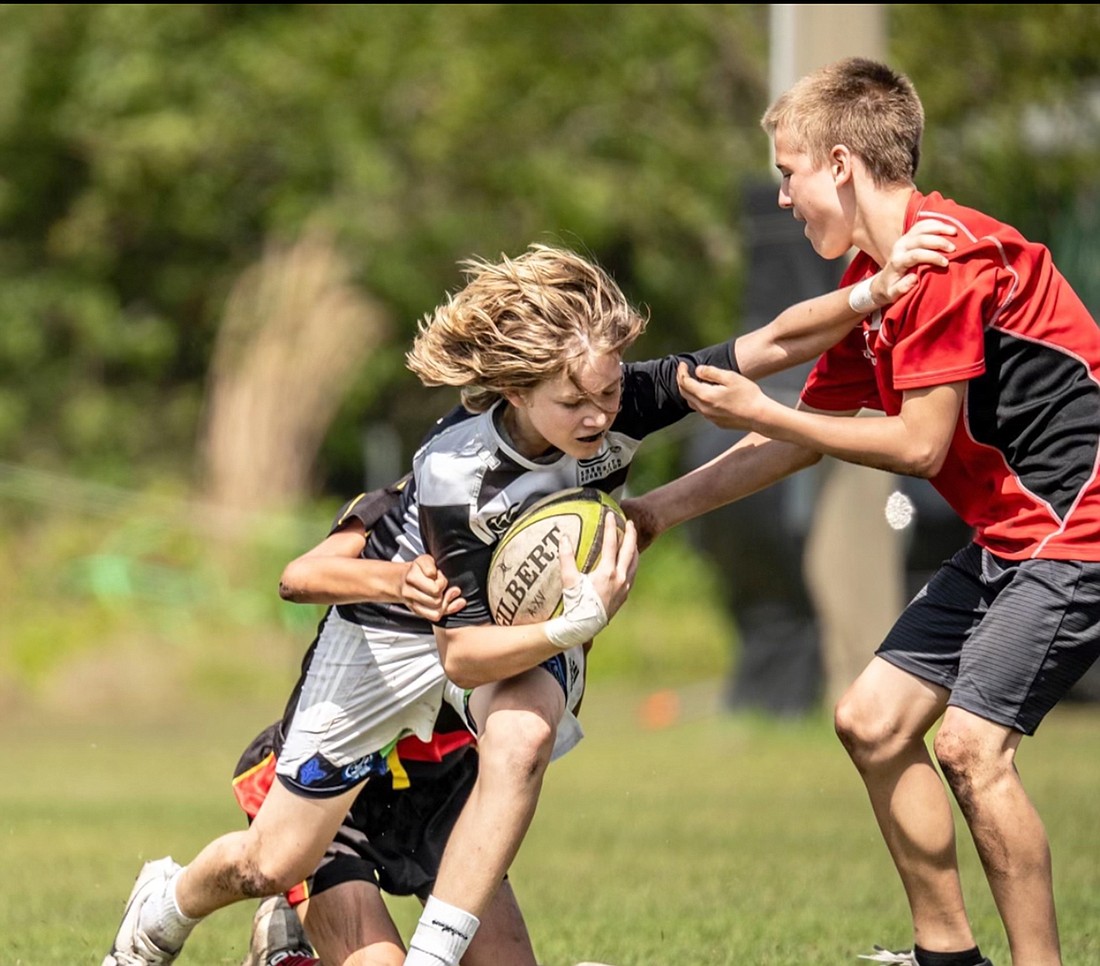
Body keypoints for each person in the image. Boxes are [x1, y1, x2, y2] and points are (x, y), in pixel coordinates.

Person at [103, 238, 948, 966]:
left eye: (607, 395)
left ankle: (433, 949)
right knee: (269, 857)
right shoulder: (456, 475)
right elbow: (459, 653)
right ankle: (165, 905)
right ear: (514, 390)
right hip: (389, 644)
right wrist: (574, 623)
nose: (597, 417)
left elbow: (767, 343)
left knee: (524, 725)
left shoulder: (620, 400)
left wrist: (870, 292)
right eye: (573, 403)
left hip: (505, 631)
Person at [622, 57, 1100, 966]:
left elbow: (917, 446)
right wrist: (656, 511)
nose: (782, 200)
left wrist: (764, 406)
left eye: (787, 172)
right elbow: (804, 435)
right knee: (872, 722)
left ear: (839, 164)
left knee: (969, 746)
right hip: (1013, 535)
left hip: (1079, 532)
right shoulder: (880, 284)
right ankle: (947, 956)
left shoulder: (946, 258)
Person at [230, 480, 541, 966]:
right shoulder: (404, 500)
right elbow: (300, 577)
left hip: (441, 792)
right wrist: (398, 581)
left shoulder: (547, 511)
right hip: (341, 793)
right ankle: (281, 948)